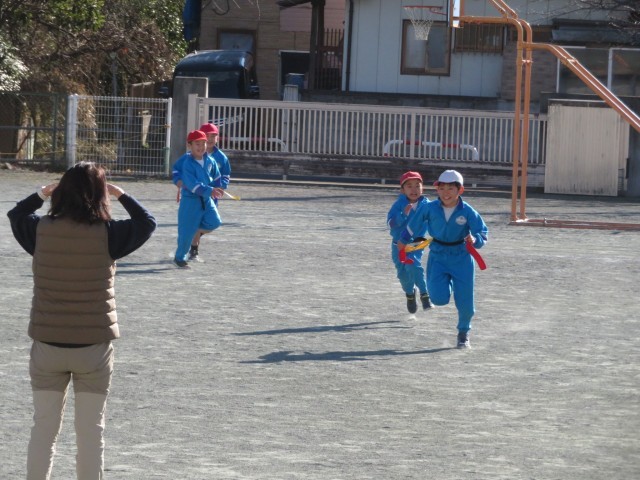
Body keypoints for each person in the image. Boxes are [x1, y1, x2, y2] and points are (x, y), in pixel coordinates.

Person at [7, 161, 157, 479]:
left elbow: (16, 215)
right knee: (91, 433)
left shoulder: (40, 230)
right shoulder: (110, 234)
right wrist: (120, 194)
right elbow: (146, 222)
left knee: (43, 430)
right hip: (93, 347)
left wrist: (41, 194)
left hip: (47, 344)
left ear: (61, 192)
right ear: (100, 194)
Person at [397, 170, 488, 348]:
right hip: (438, 256)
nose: (446, 193)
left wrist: (475, 240)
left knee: (465, 301)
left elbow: (482, 232)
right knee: (438, 299)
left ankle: (463, 333)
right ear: (437, 189)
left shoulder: (468, 211)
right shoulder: (429, 208)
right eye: (442, 188)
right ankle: (449, 283)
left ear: (460, 190)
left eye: (451, 188)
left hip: (462, 258)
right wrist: (403, 240)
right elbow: (414, 223)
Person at [172, 129, 224, 267]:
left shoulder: (210, 161)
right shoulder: (187, 163)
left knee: (215, 222)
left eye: (203, 143)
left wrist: (217, 188)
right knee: (185, 233)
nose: (201, 147)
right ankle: (179, 258)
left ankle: (195, 229)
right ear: (189, 145)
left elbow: (217, 177)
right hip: (190, 201)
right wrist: (210, 190)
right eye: (197, 144)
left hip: (206, 199)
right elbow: (192, 185)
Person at [387, 171, 433, 313]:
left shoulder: (427, 205)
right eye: (409, 186)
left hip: (416, 243)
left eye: (417, 186)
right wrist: (402, 215)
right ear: (402, 190)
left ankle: (424, 294)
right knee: (403, 274)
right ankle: (410, 294)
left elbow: (436, 220)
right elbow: (390, 224)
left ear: (422, 188)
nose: (414, 189)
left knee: (413, 265)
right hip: (398, 245)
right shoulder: (398, 204)